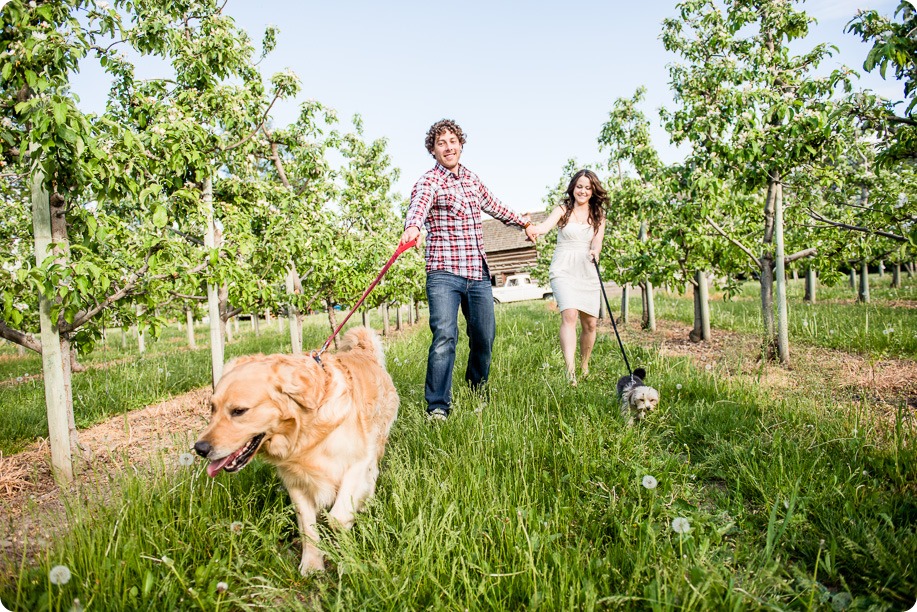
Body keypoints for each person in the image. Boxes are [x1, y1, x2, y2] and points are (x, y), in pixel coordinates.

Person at [399, 119, 538, 420]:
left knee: (484, 337)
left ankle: (477, 389)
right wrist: (412, 227)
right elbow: (418, 207)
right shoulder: (428, 182)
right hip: (444, 272)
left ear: (461, 144)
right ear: (433, 151)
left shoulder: (472, 179)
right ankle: (437, 406)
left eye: (453, 141)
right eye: (441, 143)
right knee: (445, 336)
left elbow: (495, 206)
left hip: (477, 272)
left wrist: (523, 222)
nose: (448, 147)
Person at [528, 169, 608, 386]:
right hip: (563, 267)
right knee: (570, 315)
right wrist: (530, 227)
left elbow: (597, 241)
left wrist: (595, 251)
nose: (583, 191)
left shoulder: (599, 214)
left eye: (588, 187)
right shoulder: (563, 209)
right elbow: (543, 227)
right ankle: (570, 372)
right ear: (573, 187)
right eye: (579, 186)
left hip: (586, 267)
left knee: (590, 323)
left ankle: (584, 366)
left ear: (593, 191)